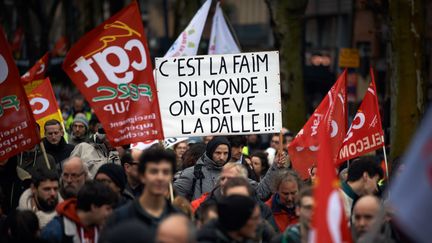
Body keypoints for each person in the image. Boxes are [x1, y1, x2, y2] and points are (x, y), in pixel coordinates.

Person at [102, 146, 180, 242]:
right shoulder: (120, 216)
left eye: (166, 172)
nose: (160, 177)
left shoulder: (178, 218)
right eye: (154, 171)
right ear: (143, 176)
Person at [41, 181, 117, 243]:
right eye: (108, 209)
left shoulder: (103, 228)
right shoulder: (55, 231)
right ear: (94, 207)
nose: (111, 213)